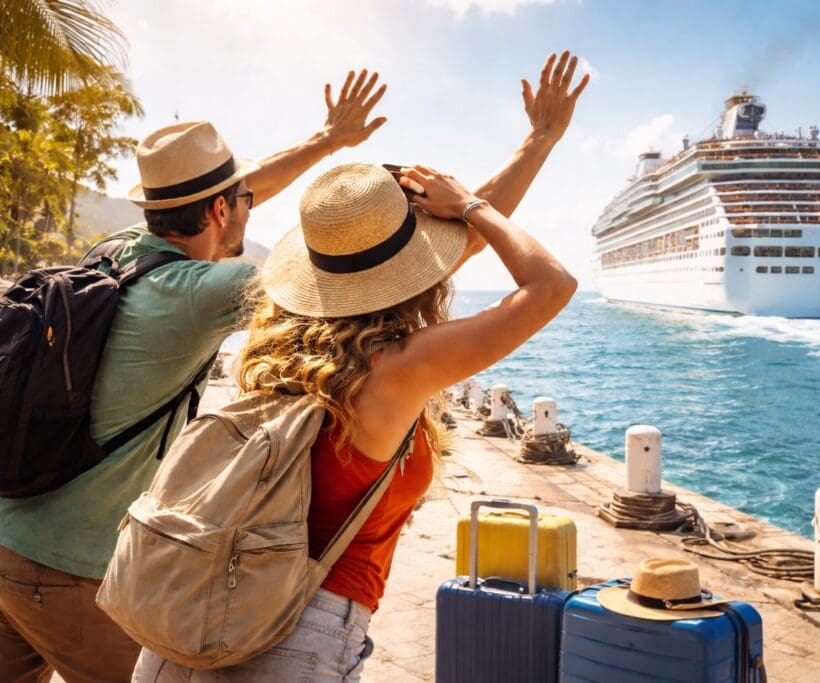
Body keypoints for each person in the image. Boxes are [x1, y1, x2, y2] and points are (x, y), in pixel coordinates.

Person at [0, 51, 586, 683]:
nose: (250, 204)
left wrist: (328, 142)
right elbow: (530, 277)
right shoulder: (360, 355)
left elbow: (223, 201)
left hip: (42, 541)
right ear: (222, 211)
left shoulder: (139, 269)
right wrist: (490, 185)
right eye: (241, 201)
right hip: (186, 601)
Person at [133, 165, 577, 683]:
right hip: (294, 633)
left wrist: (541, 140)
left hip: (188, 614)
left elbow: (462, 249)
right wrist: (469, 206)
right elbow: (551, 285)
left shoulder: (277, 342)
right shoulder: (394, 371)